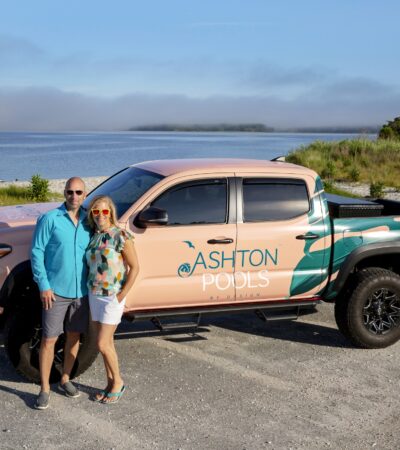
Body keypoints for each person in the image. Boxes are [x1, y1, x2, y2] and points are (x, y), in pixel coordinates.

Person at [31, 177, 91, 410]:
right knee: (49, 339)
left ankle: (65, 379)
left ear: (85, 195)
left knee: (74, 337)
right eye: (69, 192)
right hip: (55, 292)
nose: (73, 196)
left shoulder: (90, 221)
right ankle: (44, 388)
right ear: (64, 193)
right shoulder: (50, 219)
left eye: (78, 192)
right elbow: (36, 252)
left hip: (81, 291)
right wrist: (43, 285)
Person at [86, 195, 138, 404]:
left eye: (104, 211)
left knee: (101, 343)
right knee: (106, 343)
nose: (100, 215)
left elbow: (135, 267)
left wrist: (121, 295)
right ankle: (109, 383)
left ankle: (118, 382)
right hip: (94, 294)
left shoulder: (120, 235)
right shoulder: (94, 236)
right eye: (95, 211)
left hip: (112, 297)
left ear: (111, 213)